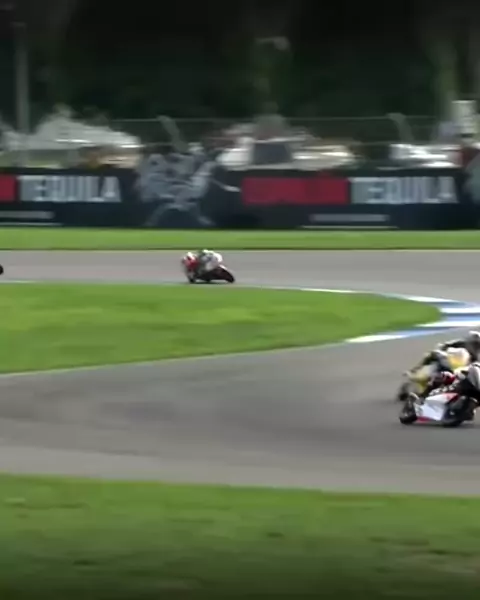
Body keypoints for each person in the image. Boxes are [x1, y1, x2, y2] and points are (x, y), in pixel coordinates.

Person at [409, 362, 480, 420]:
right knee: (445, 376)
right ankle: (422, 396)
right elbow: (473, 369)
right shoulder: (474, 368)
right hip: (461, 380)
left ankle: (462, 409)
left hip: (474, 390)